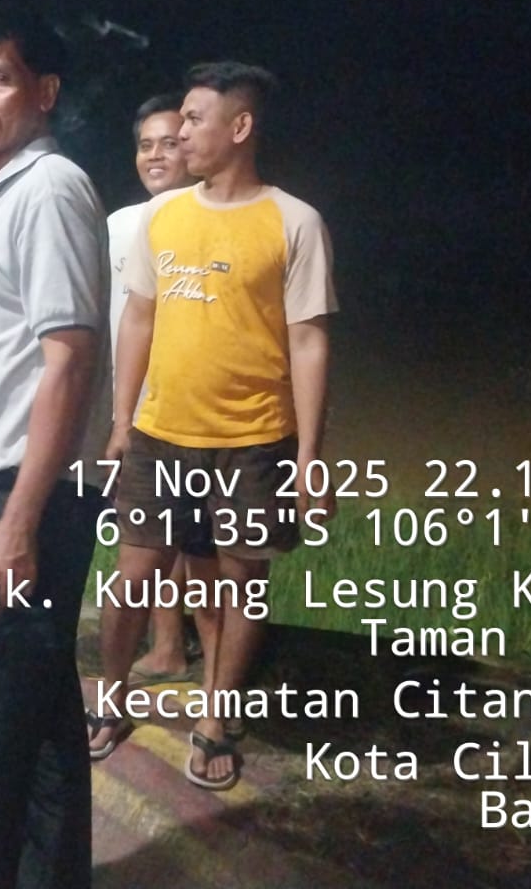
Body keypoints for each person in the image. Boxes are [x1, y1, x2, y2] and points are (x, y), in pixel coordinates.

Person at [103, 61, 336, 791]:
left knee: (240, 583)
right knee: (133, 575)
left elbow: (308, 340)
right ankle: (111, 698)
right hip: (159, 433)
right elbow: (138, 319)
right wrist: (121, 420)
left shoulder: (294, 222)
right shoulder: (163, 218)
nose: (180, 134)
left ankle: (216, 717)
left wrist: (310, 453)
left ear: (240, 127)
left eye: (195, 120)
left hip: (255, 440)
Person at [0, 7, 110, 889]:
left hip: (16, 496)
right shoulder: (8, 191)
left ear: (45, 91)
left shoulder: (47, 189)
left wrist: (17, 525)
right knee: (36, 723)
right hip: (11, 491)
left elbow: (69, 360)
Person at [101, 93, 202, 710]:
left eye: (170, 143)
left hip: (193, 407)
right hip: (131, 403)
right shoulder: (118, 224)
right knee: (142, 538)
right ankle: (166, 647)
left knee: (196, 544)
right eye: (146, 145)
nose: (157, 155)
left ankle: (189, 657)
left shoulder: (210, 220)